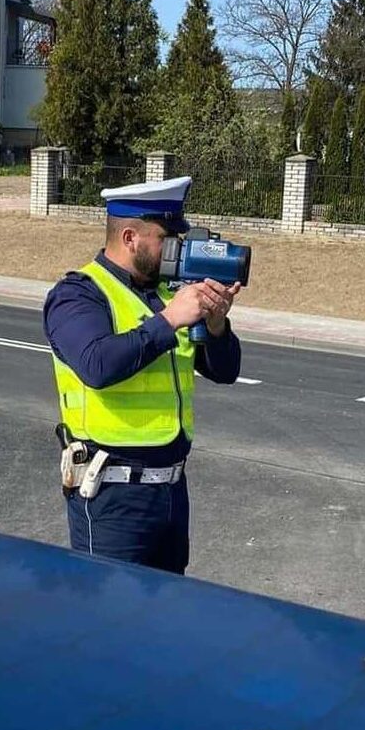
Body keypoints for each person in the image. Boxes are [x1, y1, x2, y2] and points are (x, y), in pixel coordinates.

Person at [42, 177, 241, 575]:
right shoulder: (78, 295)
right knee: (112, 622)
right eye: (167, 238)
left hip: (170, 492)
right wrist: (169, 321)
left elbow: (225, 371)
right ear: (130, 237)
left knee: (164, 621)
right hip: (111, 496)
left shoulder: (170, 293)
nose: (177, 248)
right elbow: (98, 365)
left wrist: (216, 325)